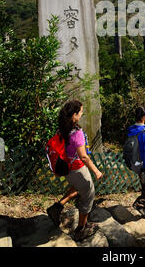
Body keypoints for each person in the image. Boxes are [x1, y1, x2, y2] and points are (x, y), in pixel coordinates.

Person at [46, 100, 103, 242]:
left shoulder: (63, 128)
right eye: (81, 111)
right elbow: (83, 156)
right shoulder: (76, 132)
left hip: (68, 169)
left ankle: (57, 207)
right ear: (74, 115)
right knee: (89, 195)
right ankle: (81, 230)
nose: (82, 113)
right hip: (77, 169)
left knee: (78, 188)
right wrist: (96, 171)